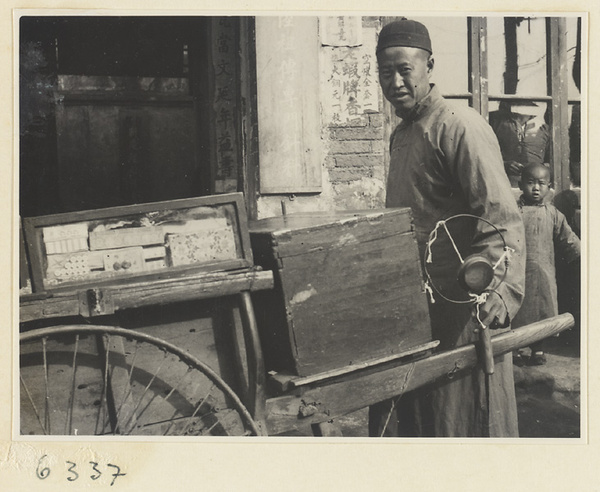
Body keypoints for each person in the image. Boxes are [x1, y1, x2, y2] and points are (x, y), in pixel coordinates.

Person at [369, 18, 526, 437]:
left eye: (405, 69)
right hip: (421, 308)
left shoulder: (460, 125)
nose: (396, 81)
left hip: (465, 306)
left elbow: (501, 217)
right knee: (427, 421)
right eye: (386, 72)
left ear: (429, 65)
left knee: (469, 418)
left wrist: (497, 290)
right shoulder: (402, 133)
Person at [512, 163, 581, 365]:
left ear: (549, 187)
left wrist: (583, 255)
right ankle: (514, 347)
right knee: (517, 309)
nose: (535, 188)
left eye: (541, 183)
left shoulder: (553, 214)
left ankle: (538, 349)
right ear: (520, 184)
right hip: (518, 271)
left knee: (543, 309)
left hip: (544, 272)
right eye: (530, 183)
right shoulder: (514, 212)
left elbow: (568, 239)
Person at [488, 101, 552, 188]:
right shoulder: (495, 123)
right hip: (502, 185)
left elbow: (553, 162)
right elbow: (483, 157)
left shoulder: (543, 129)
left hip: (535, 188)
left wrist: (539, 168)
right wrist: (504, 165)